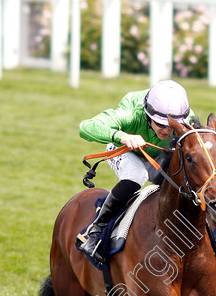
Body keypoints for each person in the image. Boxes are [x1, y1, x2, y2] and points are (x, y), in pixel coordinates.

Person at [78, 80, 198, 263]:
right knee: (136, 176)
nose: (166, 131)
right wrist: (123, 136)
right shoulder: (131, 114)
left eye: (170, 126)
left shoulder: (187, 120)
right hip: (125, 149)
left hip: (159, 155)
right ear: (149, 116)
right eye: (160, 124)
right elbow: (85, 127)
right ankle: (95, 230)